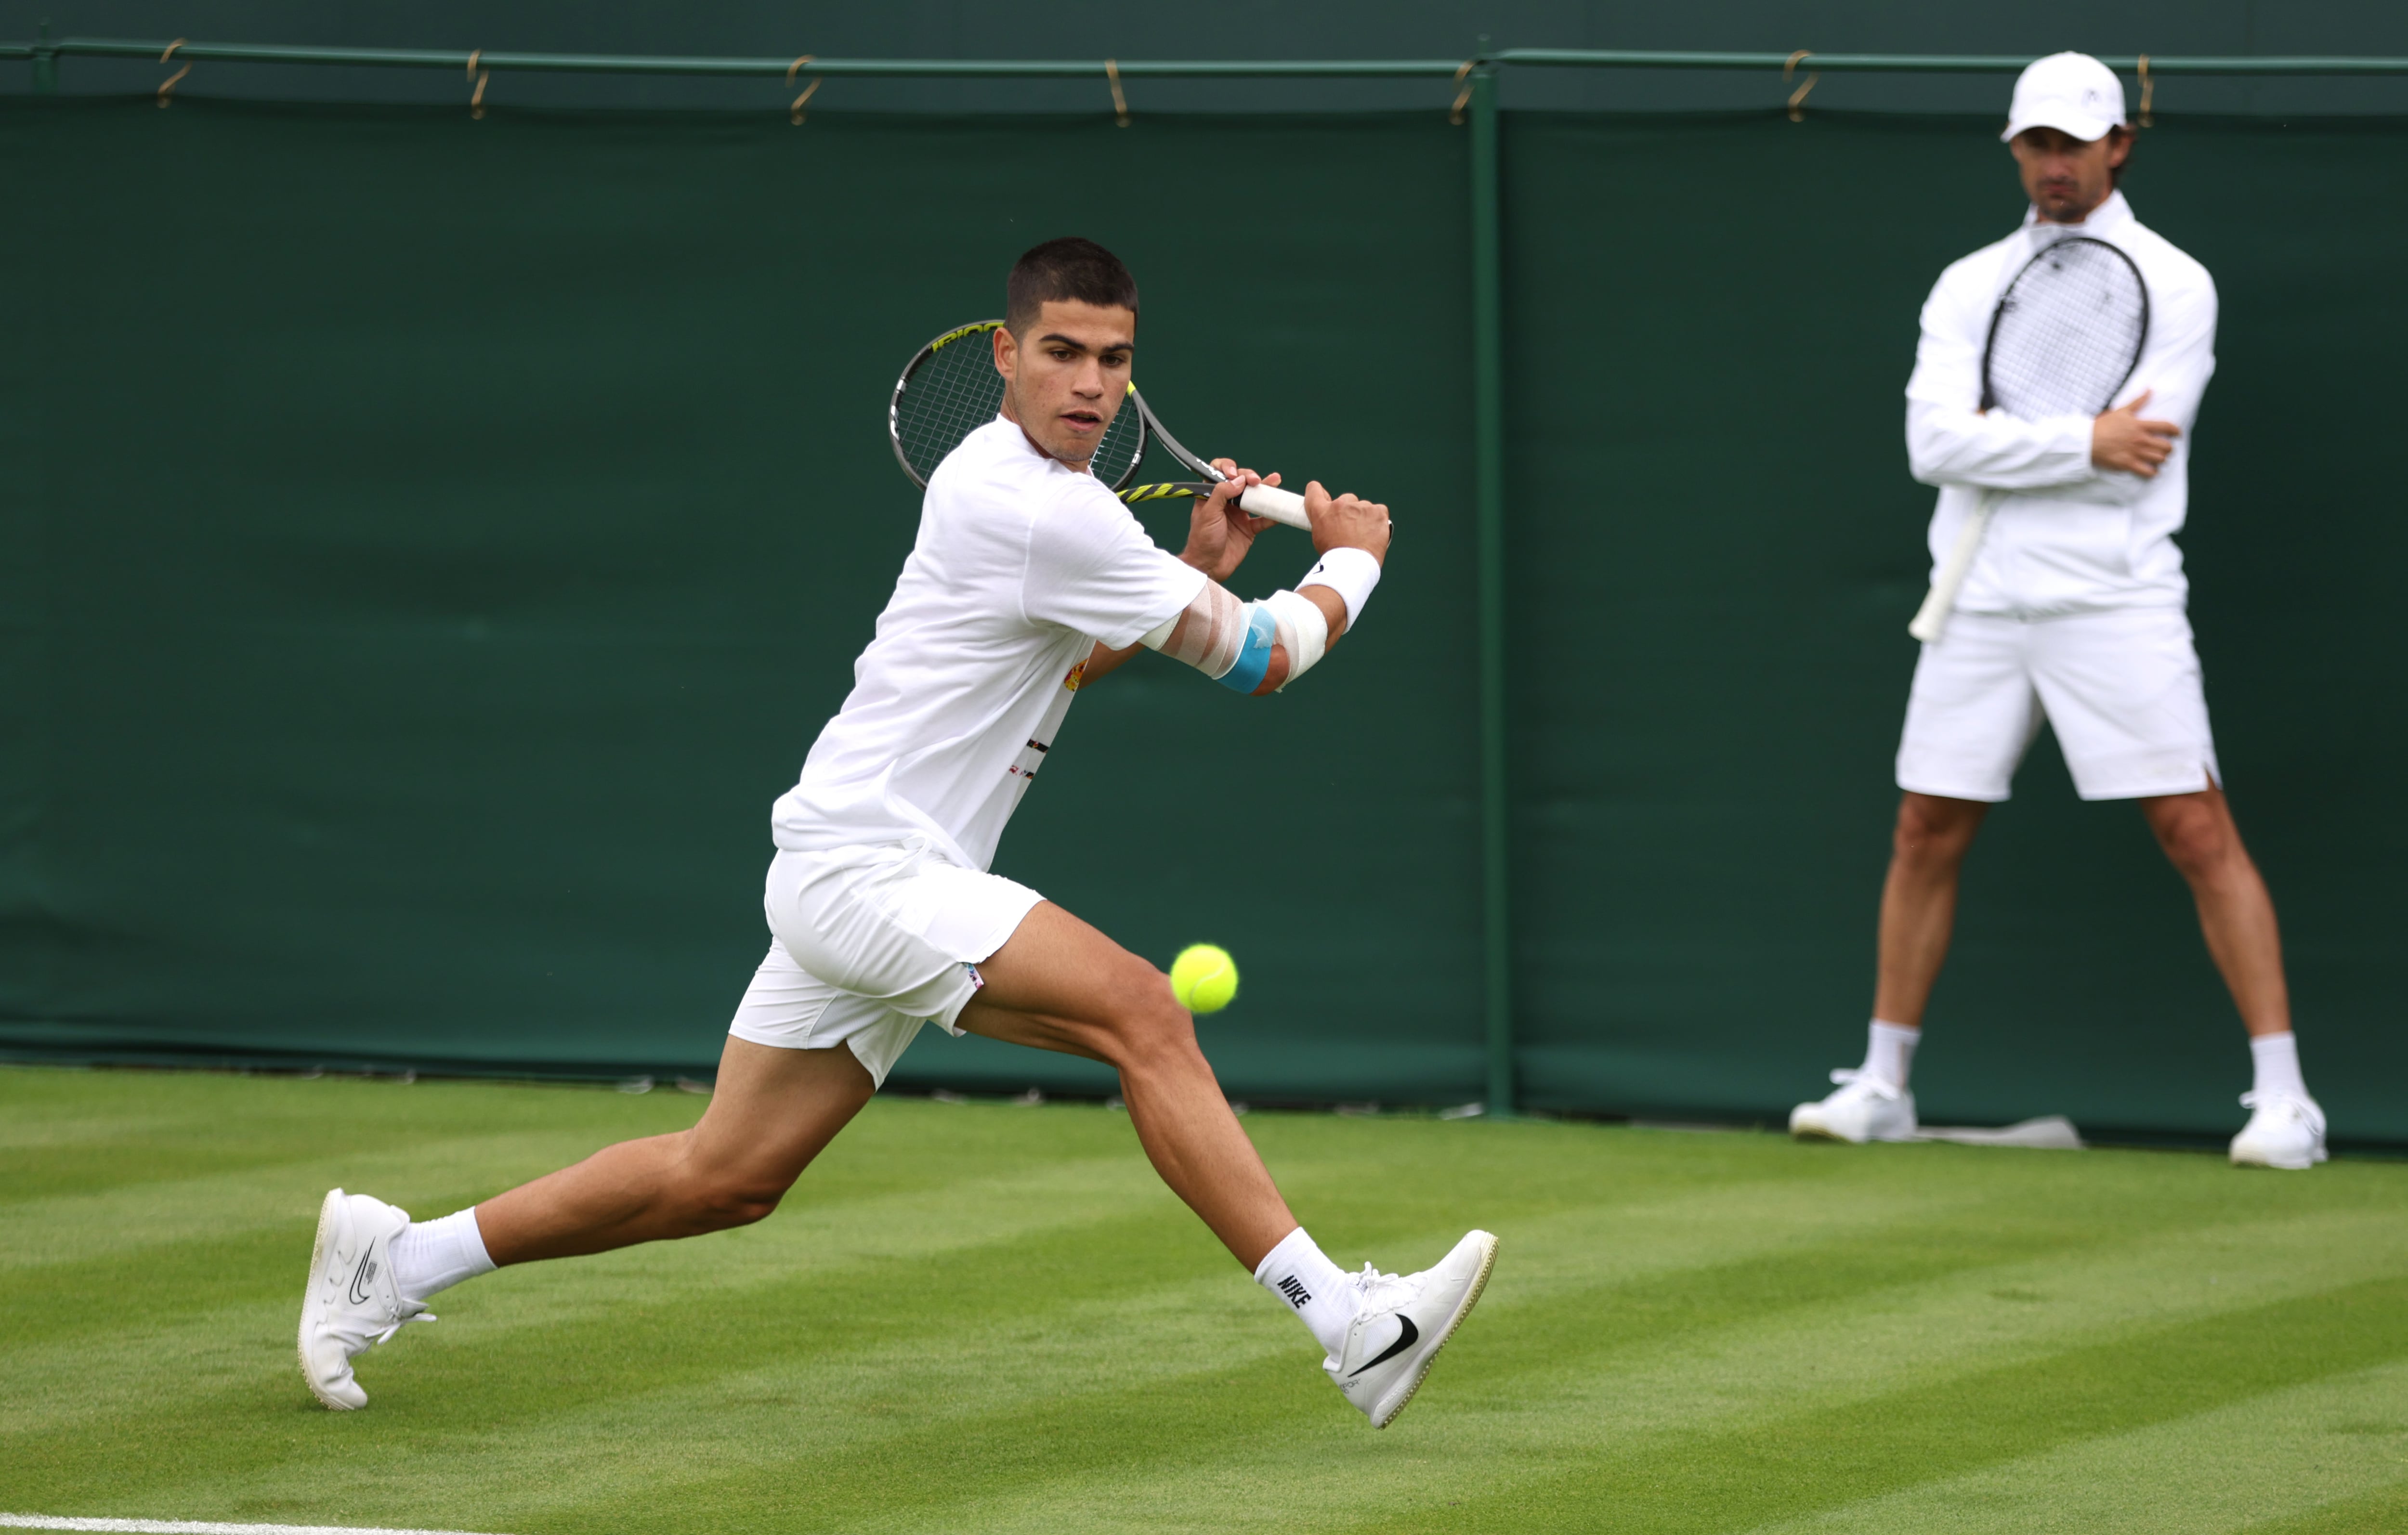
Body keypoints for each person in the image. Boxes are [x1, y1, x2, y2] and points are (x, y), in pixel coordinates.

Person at [296, 237, 1495, 1425]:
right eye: (1061, 352)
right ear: (1004, 353)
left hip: (854, 870)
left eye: (1113, 360)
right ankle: (1351, 1324)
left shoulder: (1044, 500)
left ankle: (393, 1262)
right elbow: (1263, 658)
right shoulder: (1044, 513)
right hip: (871, 868)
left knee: (728, 1177)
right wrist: (1351, 558)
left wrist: (1189, 568)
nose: (1088, 383)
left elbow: (1063, 660)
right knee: (1144, 1013)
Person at [1788, 54, 2325, 1170]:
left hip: (2115, 598)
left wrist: (2033, 445)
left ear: (2117, 146)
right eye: (2034, 145)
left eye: (2072, 145)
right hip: (1977, 596)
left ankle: (2284, 1102)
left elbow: (2142, 456)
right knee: (1923, 830)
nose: (2052, 165)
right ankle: (1882, 1083)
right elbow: (1931, 445)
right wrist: (2079, 437)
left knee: (2194, 828)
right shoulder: (1968, 282)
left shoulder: (2175, 283)